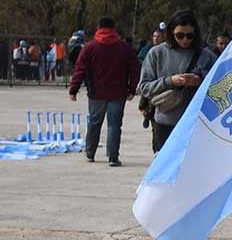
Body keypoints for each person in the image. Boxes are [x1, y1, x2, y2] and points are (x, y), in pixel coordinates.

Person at [138, 10, 217, 153]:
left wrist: (201, 82)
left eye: (189, 35)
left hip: (197, 124)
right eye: (180, 36)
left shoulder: (207, 56)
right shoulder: (156, 53)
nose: (185, 40)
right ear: (171, 33)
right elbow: (144, 87)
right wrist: (171, 81)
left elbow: (220, 88)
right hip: (165, 122)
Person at [68, 17, 141, 166]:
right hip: (118, 93)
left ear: (98, 28)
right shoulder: (125, 48)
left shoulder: (89, 47)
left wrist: (73, 89)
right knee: (114, 125)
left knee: (94, 123)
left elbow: (79, 69)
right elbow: (135, 69)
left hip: (96, 93)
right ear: (114, 29)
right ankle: (113, 157)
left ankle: (90, 152)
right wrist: (131, 89)